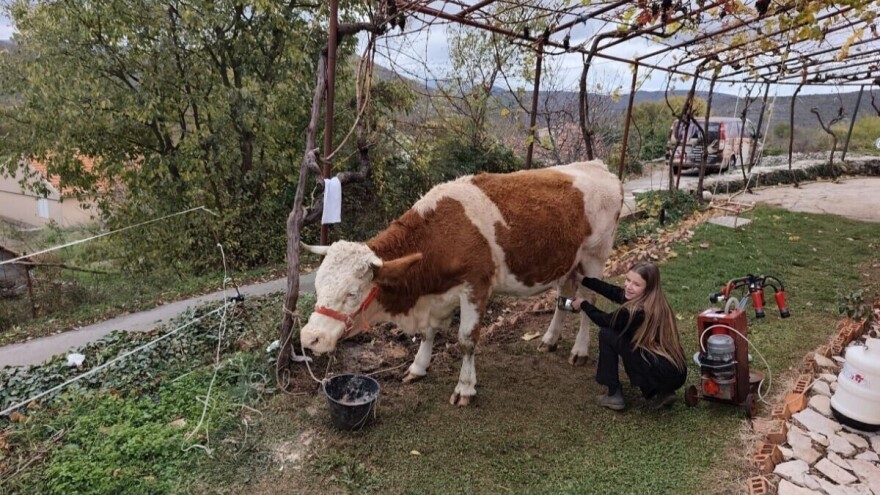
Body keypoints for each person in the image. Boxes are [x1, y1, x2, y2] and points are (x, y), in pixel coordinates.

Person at [570, 262, 687, 411]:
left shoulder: (634, 312)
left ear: (648, 287)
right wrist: (582, 279)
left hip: (659, 373)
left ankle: (614, 394)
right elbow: (612, 291)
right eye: (628, 280)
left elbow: (603, 320)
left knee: (606, 334)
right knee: (644, 348)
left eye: (636, 284)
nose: (629, 286)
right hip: (677, 373)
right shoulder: (657, 302)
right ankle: (664, 392)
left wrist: (584, 304)